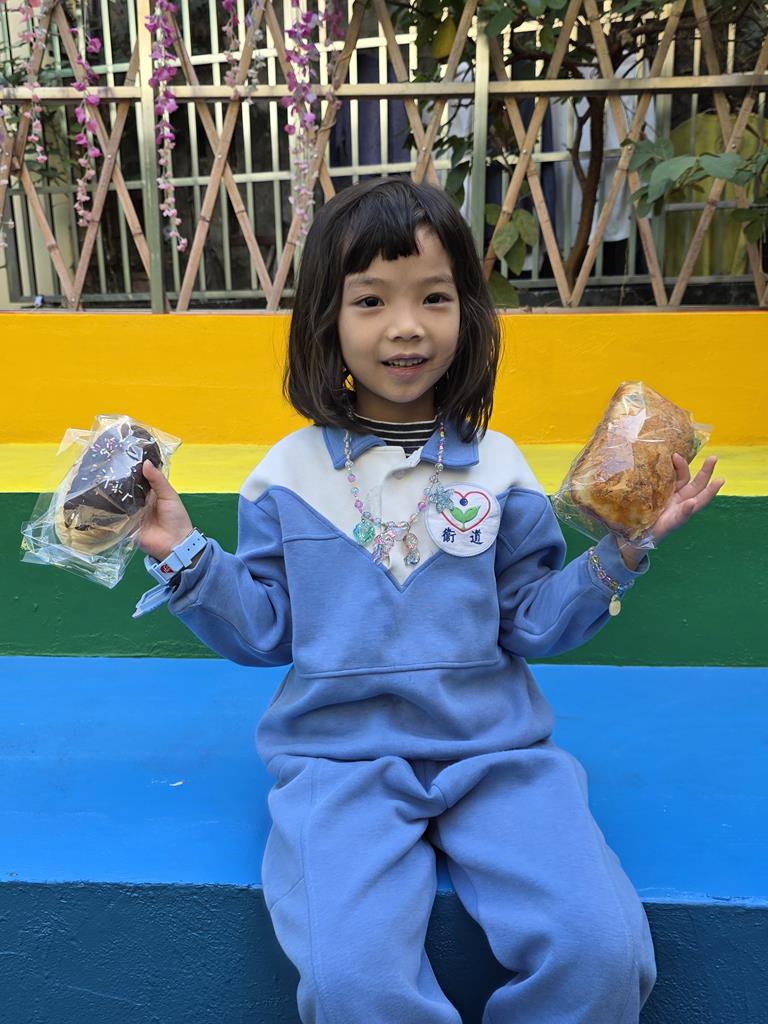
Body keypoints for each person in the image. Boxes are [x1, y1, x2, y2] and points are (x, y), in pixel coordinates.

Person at [136, 177, 724, 1024]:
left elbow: (532, 622)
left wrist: (625, 548)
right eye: (371, 299)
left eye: (435, 297)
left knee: (601, 951)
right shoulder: (286, 476)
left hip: (498, 757)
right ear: (325, 321)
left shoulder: (501, 467)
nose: (406, 325)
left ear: (469, 315)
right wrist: (184, 555)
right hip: (339, 764)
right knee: (350, 981)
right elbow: (265, 630)